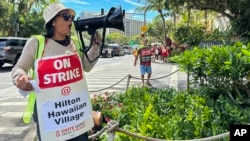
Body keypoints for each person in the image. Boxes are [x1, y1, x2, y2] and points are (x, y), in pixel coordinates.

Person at [11, 2, 101, 141]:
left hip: (75, 110)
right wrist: (20, 78)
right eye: (66, 16)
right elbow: (19, 68)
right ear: (53, 21)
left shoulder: (75, 43)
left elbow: (87, 67)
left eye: (71, 17)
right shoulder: (37, 43)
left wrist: (95, 47)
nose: (70, 20)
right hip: (49, 112)